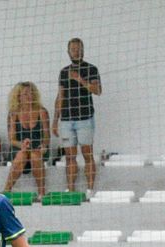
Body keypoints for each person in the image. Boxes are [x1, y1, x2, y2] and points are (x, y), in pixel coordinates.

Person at [53, 37, 102, 193]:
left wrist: (80, 80)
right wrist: (55, 120)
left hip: (85, 119)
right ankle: (71, 189)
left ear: (83, 50)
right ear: (68, 52)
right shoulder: (64, 72)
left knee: (87, 154)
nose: (76, 51)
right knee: (70, 156)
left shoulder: (91, 69)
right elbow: (60, 96)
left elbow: (98, 91)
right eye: (73, 49)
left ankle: (90, 189)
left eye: (79, 48)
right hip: (67, 121)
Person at [3, 82, 51, 201]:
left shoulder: (42, 111)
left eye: (31, 93)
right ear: (18, 96)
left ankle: (41, 192)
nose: (29, 96)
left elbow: (46, 136)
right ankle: (6, 190)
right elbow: (12, 140)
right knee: (21, 155)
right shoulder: (13, 113)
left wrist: (44, 145)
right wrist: (22, 145)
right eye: (25, 94)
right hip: (19, 147)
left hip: (38, 147)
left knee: (35, 155)